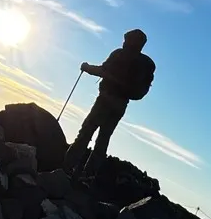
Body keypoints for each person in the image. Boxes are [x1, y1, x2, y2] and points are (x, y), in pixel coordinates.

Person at [64, 29, 155, 182]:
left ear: (130, 41)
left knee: (86, 131)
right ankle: (88, 176)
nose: (124, 41)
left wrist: (87, 67)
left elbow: (103, 71)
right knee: (103, 139)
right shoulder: (144, 64)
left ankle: (66, 167)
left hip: (105, 99)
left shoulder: (119, 54)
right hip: (121, 105)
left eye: (126, 39)